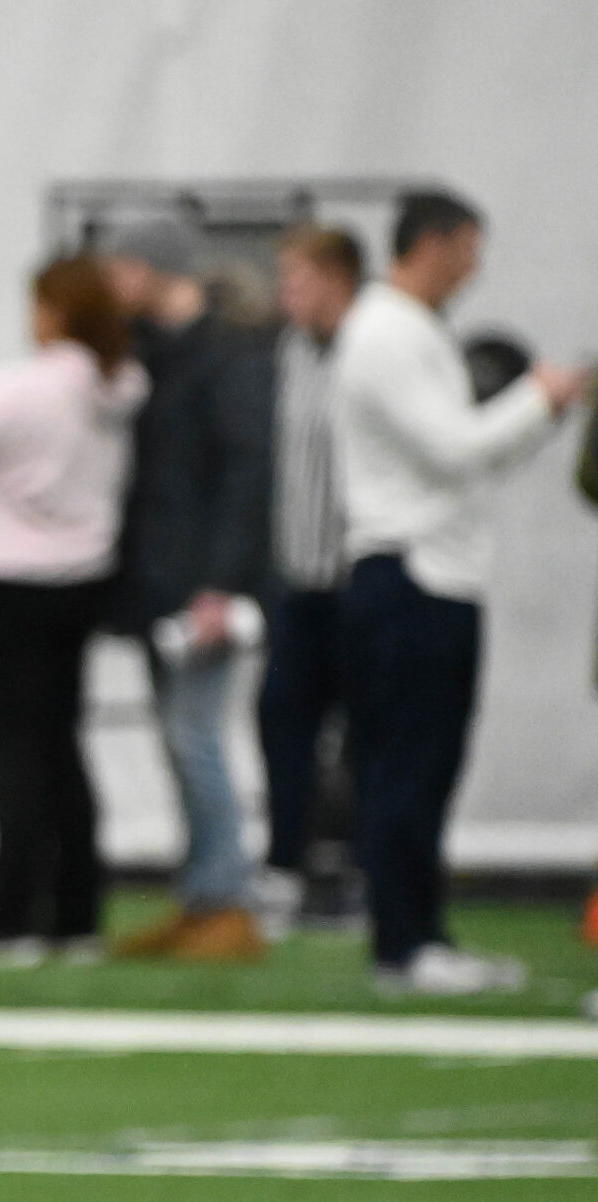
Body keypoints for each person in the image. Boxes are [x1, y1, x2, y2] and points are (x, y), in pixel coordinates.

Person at [331, 189, 586, 995]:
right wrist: (538, 399)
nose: (476, 267)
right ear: (432, 244)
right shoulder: (386, 332)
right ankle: (405, 945)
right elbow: (454, 451)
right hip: (410, 571)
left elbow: (464, 461)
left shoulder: (411, 331)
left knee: (426, 766)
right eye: (470, 247)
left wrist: (532, 416)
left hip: (434, 569)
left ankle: (418, 936)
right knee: (407, 766)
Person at [0, 255, 148, 964]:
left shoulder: (21, 389)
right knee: (62, 749)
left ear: (54, 311)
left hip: (5, 585)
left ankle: (11, 918)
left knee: (14, 756)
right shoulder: (118, 386)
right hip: (81, 582)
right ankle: (77, 913)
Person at [95, 213, 275, 963]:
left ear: (152, 268)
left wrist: (221, 584)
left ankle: (229, 900)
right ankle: (200, 896)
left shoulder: (229, 355)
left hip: (200, 588)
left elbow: (246, 473)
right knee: (177, 740)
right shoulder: (152, 356)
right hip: (155, 581)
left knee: (196, 736)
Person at [255, 225, 367, 939]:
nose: (286, 294)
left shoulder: (374, 347)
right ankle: (284, 870)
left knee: (368, 740)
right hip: (299, 580)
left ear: (336, 278)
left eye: (297, 279)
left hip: (362, 576)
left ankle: (357, 872)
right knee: (282, 727)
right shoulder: (289, 352)